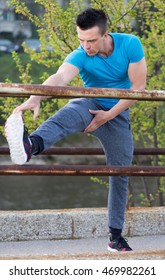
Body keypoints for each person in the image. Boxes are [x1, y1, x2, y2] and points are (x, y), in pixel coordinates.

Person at [5, 8, 147, 252]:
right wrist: (35, 98)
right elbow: (59, 77)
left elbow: (139, 87)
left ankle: (115, 237)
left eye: (91, 41)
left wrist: (109, 116)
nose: (86, 46)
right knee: (72, 109)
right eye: (81, 40)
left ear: (105, 34)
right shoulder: (81, 54)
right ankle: (31, 145)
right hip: (91, 106)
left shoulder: (130, 44)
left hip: (118, 115)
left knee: (121, 173)